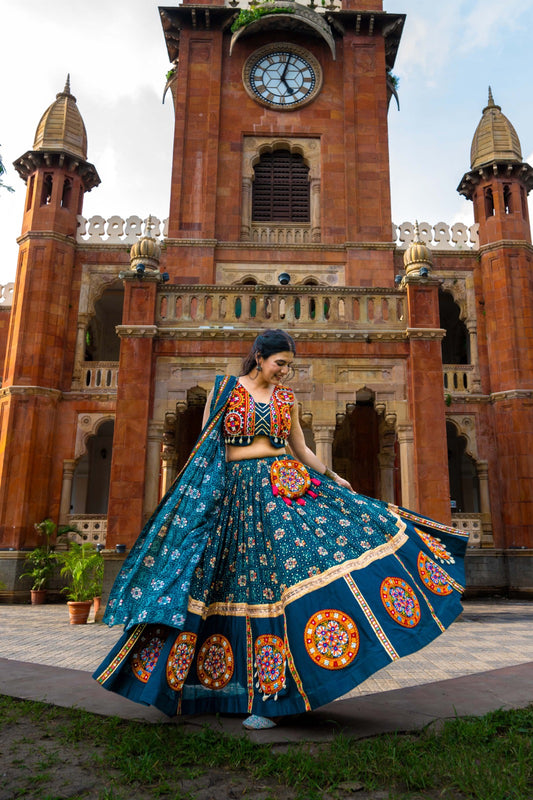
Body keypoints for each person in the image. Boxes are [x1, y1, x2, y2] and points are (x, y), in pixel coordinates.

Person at [94, 329, 468, 730]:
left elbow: (300, 450)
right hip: (234, 499)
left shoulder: (286, 400)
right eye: (280, 364)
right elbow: (206, 449)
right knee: (227, 587)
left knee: (278, 587)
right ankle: (215, 690)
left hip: (281, 493)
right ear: (259, 357)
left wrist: (333, 476)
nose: (285, 372)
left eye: (289, 365)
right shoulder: (223, 391)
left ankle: (270, 700)